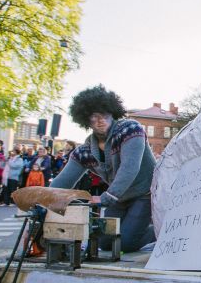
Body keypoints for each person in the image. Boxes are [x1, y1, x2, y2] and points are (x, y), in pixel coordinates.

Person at [49, 85, 157, 253]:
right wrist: (43, 205)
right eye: (94, 116)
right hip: (120, 199)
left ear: (112, 112)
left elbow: (130, 167)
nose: (100, 120)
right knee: (105, 242)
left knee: (124, 243)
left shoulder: (130, 129)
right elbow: (63, 181)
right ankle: (136, 229)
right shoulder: (84, 152)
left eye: (104, 114)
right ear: (86, 119)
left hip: (144, 193)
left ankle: (158, 233)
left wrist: (106, 197)